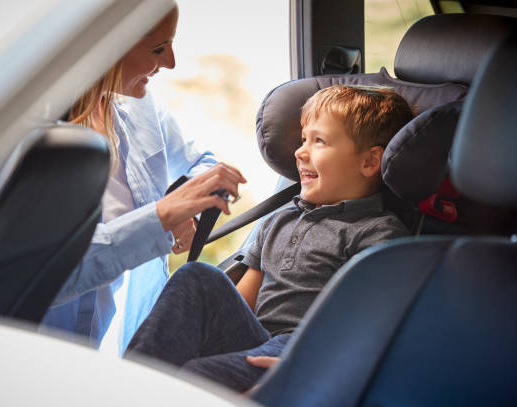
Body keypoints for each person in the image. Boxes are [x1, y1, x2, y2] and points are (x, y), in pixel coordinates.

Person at [124, 85, 413, 392]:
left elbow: (372, 325)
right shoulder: (278, 220)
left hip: (307, 350)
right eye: (303, 139)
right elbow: (245, 304)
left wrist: (315, 363)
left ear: (369, 162)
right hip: (259, 337)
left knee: (199, 374)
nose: (300, 152)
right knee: (196, 275)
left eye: (319, 141)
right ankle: (124, 387)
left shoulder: (377, 233)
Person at [41, 6, 247, 356]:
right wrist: (162, 217)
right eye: (157, 49)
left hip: (111, 340)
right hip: (32, 347)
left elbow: (201, 162)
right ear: (106, 50)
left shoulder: (142, 110)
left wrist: (187, 211)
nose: (171, 62)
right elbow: (48, 274)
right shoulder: (31, 141)